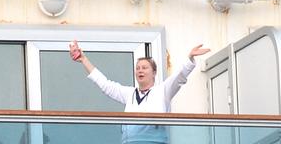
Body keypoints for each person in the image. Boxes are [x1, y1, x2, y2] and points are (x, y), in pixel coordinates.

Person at [70, 39, 210, 144]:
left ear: (154, 72)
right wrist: (84, 59)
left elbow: (179, 76)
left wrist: (190, 58)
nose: (140, 70)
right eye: (138, 68)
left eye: (144, 67)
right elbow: (105, 84)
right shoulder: (129, 94)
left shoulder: (162, 91)